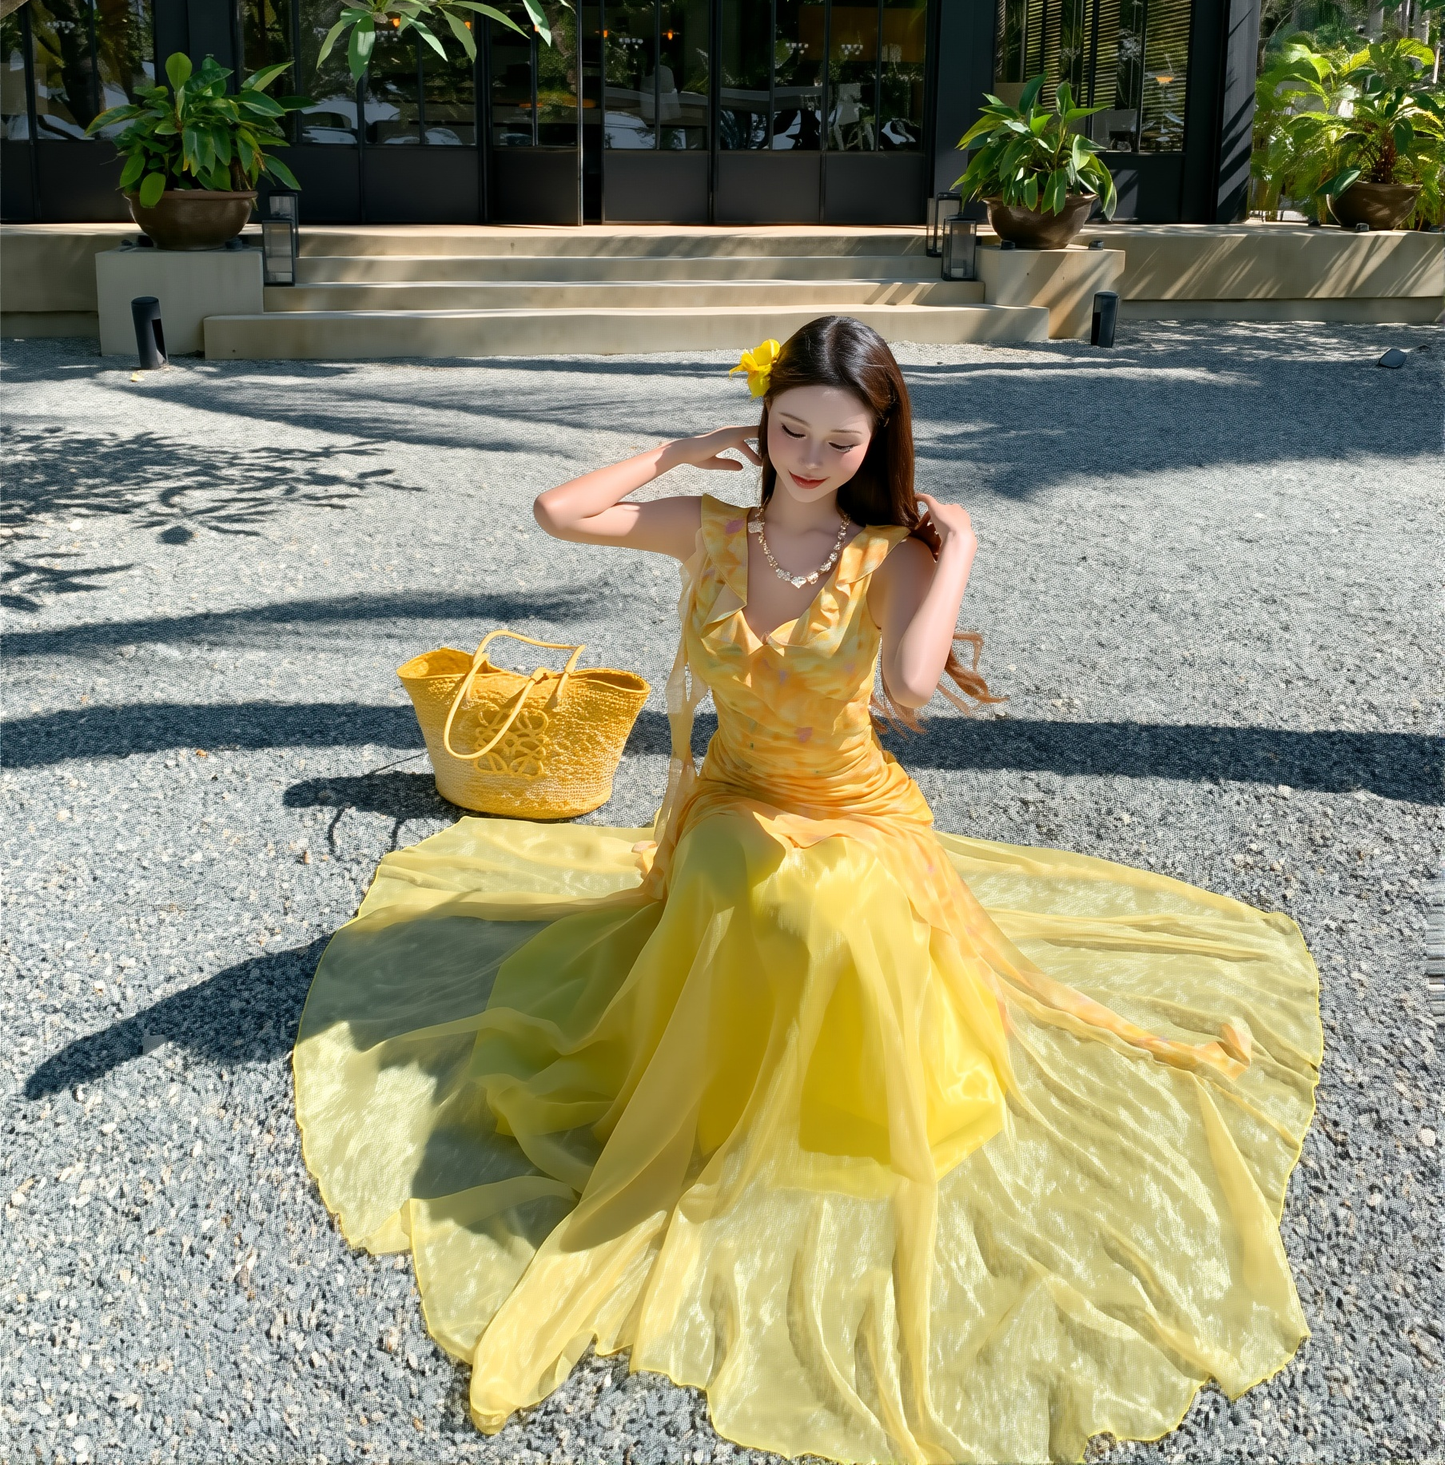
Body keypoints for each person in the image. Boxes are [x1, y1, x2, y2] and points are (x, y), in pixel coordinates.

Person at [293, 315, 1321, 1465]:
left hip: (850, 806)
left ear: (876, 440)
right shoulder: (711, 529)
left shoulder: (888, 553)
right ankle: (713, 1095)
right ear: (763, 422)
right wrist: (682, 452)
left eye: (840, 440)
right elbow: (557, 511)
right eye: (789, 431)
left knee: (820, 909)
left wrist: (958, 547)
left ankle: (806, 1105)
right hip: (736, 794)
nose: (811, 458)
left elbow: (910, 689)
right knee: (742, 883)